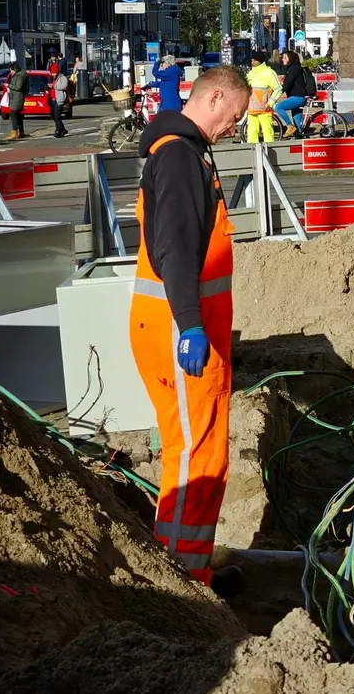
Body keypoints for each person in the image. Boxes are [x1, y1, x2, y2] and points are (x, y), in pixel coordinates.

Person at [128, 66, 252, 597]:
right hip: (178, 331)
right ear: (215, 96)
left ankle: (189, 572)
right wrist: (191, 327)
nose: (236, 126)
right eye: (237, 115)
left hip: (183, 328)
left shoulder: (187, 151)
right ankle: (182, 591)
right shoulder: (179, 156)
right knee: (194, 456)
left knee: (197, 451)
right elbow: (175, 249)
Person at [245, 50, 282, 142]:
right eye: (251, 60)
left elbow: (278, 88)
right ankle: (252, 153)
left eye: (254, 60)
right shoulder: (250, 74)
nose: (252, 62)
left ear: (260, 61)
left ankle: (270, 152)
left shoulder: (269, 73)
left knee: (267, 132)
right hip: (251, 109)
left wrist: (271, 103)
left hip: (265, 109)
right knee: (251, 132)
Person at [275, 50, 307, 138]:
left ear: (291, 58)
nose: (283, 59)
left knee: (278, 107)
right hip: (299, 97)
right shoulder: (294, 67)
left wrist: (275, 93)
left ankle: (289, 126)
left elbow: (286, 85)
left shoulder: (293, 69)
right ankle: (301, 135)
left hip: (297, 97)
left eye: (285, 57)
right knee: (298, 125)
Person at [5, 62, 27, 141]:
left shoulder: (20, 76)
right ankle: (21, 132)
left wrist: (9, 86)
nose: (10, 72)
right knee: (18, 115)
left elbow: (18, 87)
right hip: (16, 97)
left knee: (13, 114)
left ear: (15, 69)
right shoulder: (18, 75)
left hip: (17, 98)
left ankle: (15, 132)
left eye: (11, 70)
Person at [49, 64, 69, 138]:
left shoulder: (62, 78)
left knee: (57, 116)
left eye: (54, 73)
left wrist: (54, 86)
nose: (53, 74)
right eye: (52, 73)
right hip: (53, 99)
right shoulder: (52, 78)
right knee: (53, 116)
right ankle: (63, 129)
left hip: (59, 99)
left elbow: (64, 86)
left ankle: (58, 131)